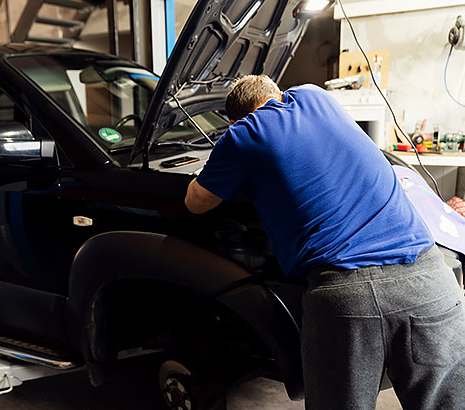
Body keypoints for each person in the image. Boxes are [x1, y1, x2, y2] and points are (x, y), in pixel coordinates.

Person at [184, 74, 465, 410]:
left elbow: (195, 201)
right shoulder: (315, 95)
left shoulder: (243, 134)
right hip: (432, 282)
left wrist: (224, 159)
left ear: (236, 119)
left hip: (346, 296)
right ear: (278, 92)